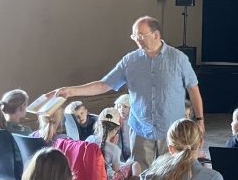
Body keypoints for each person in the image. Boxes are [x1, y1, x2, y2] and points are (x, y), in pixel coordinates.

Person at [54, 16, 204, 169]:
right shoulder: (130, 61)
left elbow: (193, 89)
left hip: (172, 131)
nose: (136, 39)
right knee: (141, 178)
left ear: (156, 35)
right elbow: (104, 85)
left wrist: (199, 120)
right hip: (141, 130)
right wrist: (71, 91)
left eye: (140, 35)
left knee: (172, 177)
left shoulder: (178, 59)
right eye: (134, 36)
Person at [86, 108, 141, 180]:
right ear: (117, 128)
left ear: (98, 124)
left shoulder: (89, 140)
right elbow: (116, 169)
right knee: (135, 164)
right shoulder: (114, 149)